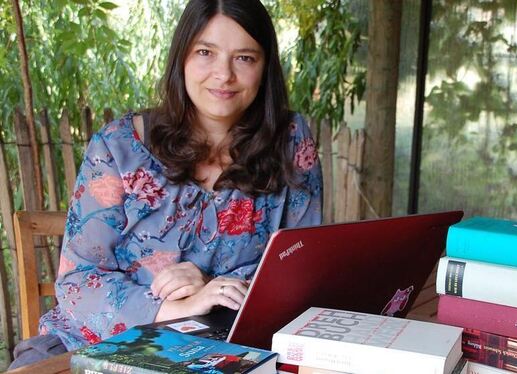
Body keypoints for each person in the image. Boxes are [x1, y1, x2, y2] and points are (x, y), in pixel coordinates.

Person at [8, 0, 322, 369]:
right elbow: (79, 281)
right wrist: (173, 307)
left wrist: (210, 284)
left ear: (265, 67)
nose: (223, 75)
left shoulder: (289, 141)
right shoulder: (119, 145)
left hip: (227, 348)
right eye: (206, 52)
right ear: (182, 58)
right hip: (93, 344)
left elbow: (302, 269)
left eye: (245, 58)